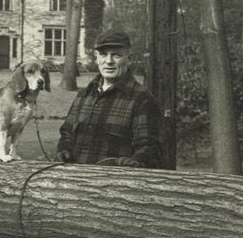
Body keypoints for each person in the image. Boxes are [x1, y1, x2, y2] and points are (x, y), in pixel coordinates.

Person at [55, 29, 162, 168]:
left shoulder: (142, 99)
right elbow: (66, 134)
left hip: (115, 179)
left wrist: (135, 161)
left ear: (129, 58)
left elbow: (149, 146)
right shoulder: (83, 95)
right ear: (97, 58)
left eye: (116, 55)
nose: (109, 61)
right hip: (75, 177)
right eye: (103, 55)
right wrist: (63, 150)